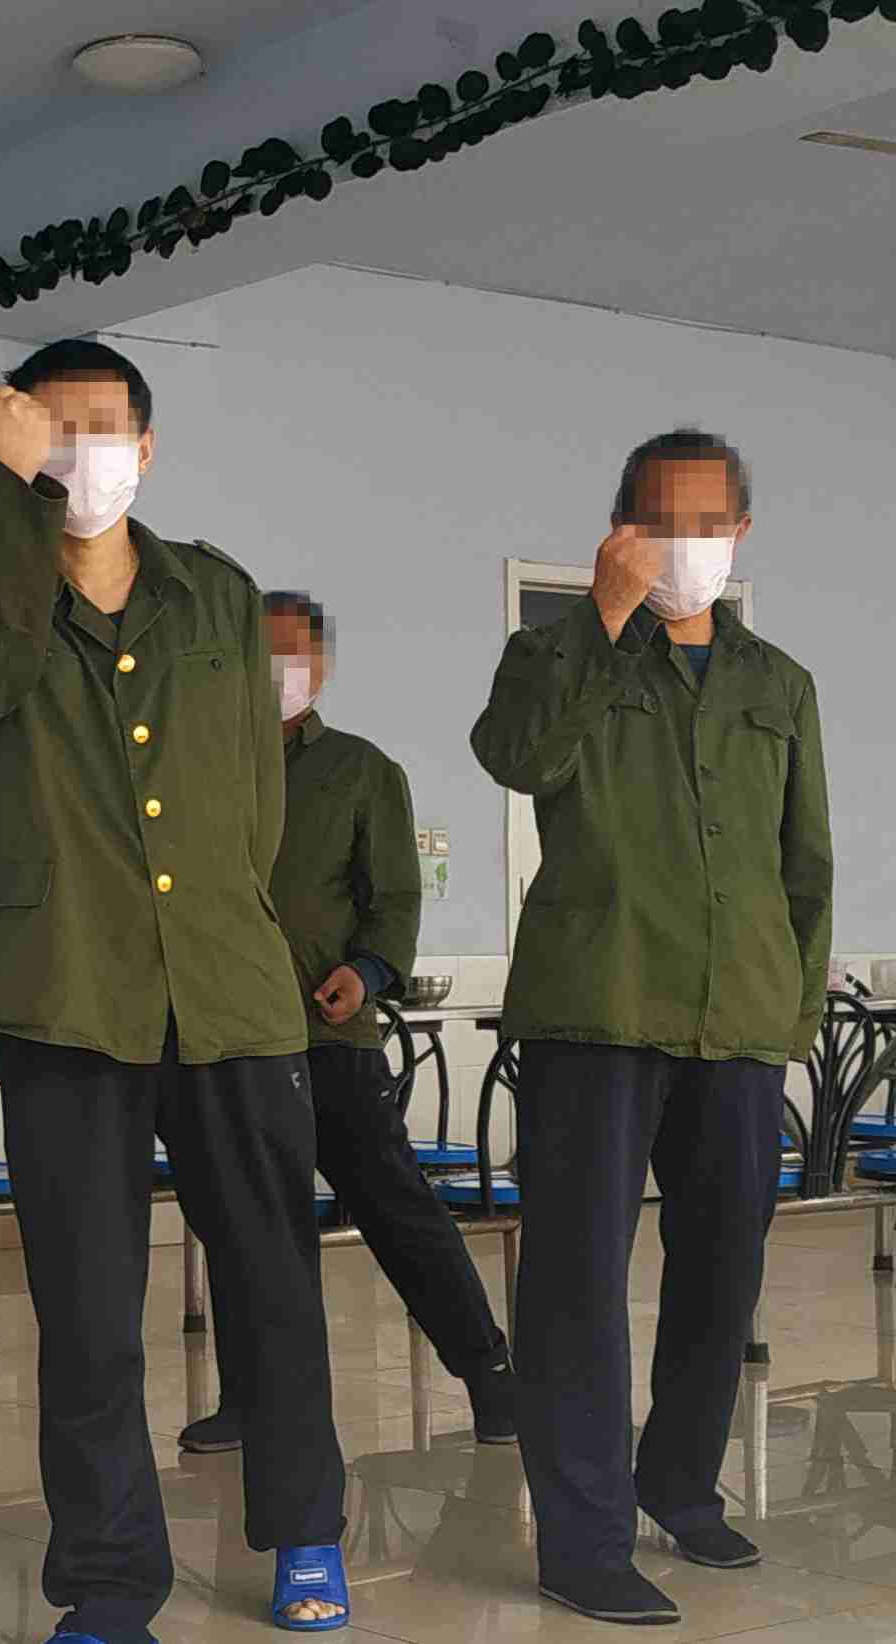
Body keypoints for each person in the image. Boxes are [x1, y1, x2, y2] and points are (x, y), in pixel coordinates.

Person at [0, 340, 349, 1640]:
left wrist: (223, 916)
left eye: (99, 426)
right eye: (47, 428)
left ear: (145, 448)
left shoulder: (216, 594)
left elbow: (256, 795)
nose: (77, 450)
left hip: (224, 988)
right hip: (62, 991)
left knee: (271, 1282)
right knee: (88, 1311)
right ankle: (108, 1583)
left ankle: (306, 1531)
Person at [472, 429, 831, 1626]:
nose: (688, 542)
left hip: (739, 1018)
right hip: (599, 1007)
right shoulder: (553, 649)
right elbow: (516, 757)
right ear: (621, 528)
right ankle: (582, 1540)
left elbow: (806, 863)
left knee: (724, 1273)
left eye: (709, 521)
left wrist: (790, 1013)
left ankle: (680, 1485)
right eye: (661, 520)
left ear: (741, 532)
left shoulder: (779, 683)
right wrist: (601, 617)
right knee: (577, 1280)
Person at [176, 591, 517, 1455]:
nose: (275, 671)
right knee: (247, 1227)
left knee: (397, 1208)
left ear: (320, 667)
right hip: (226, 1038)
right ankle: (253, 1399)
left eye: (291, 654)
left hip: (329, 1034)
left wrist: (365, 973)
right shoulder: (198, 765)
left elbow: (394, 898)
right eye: (258, 653)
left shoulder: (361, 771)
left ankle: (490, 1376)